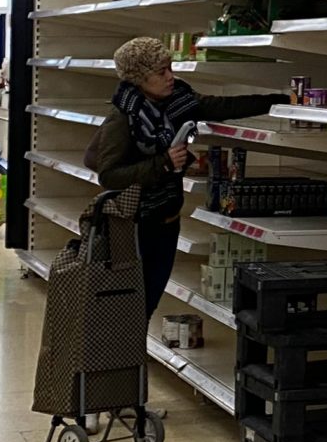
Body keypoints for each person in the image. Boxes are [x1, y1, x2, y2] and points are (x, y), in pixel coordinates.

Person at [86, 36, 288, 300]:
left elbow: (222, 106)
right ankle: (128, 343)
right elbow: (109, 175)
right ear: (140, 78)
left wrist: (278, 101)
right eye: (161, 72)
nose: (170, 76)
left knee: (149, 299)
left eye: (170, 67)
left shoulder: (177, 100)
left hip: (168, 220)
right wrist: (164, 163)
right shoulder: (123, 116)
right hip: (136, 226)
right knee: (134, 304)